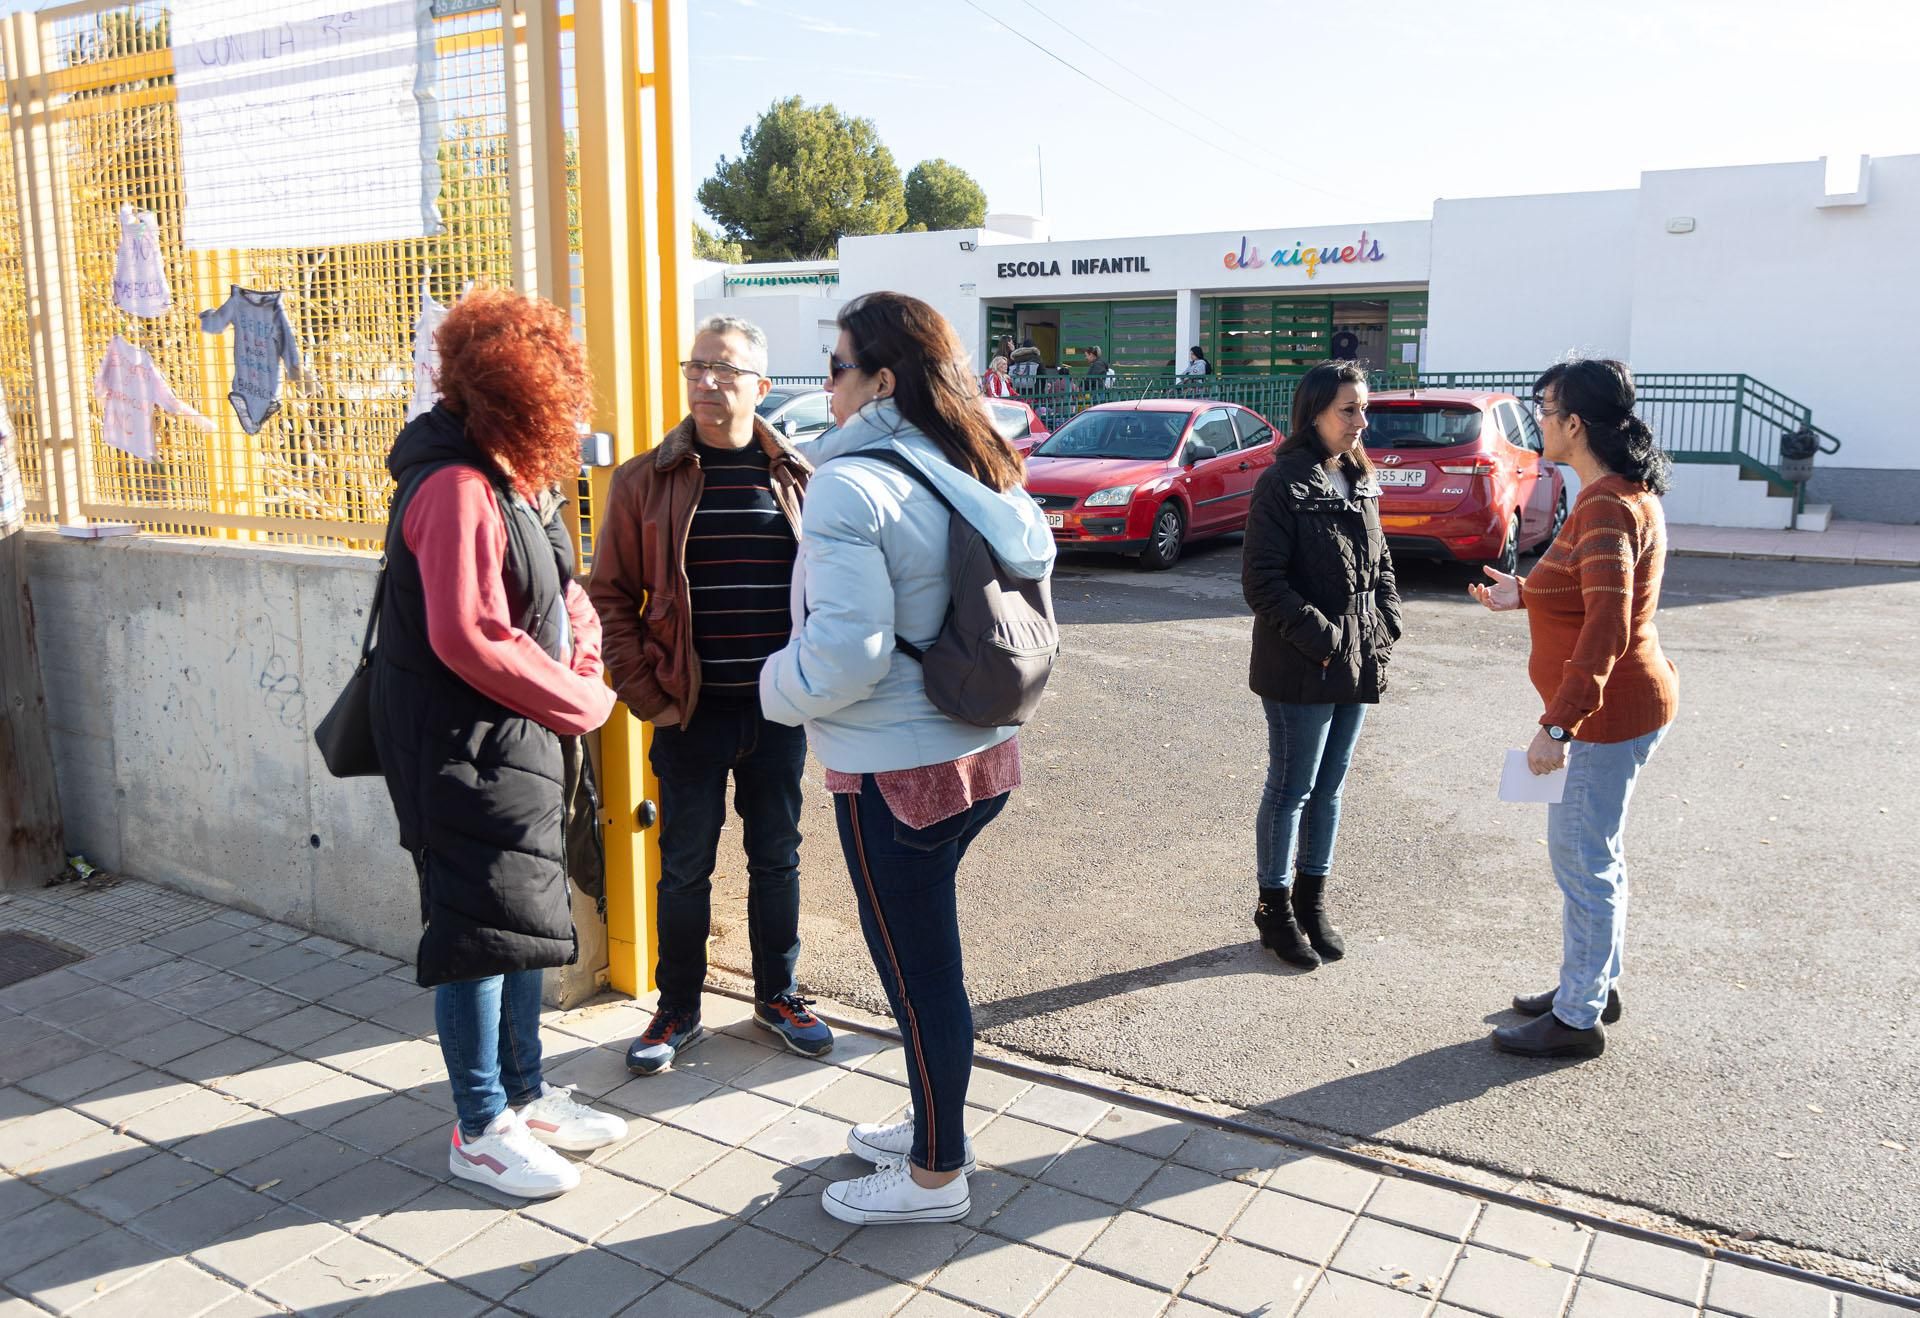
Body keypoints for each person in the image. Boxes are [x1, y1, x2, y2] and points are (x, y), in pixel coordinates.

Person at [760, 291, 1054, 1226]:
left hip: (895, 770)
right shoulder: (971, 461)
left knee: (921, 978)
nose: (827, 385)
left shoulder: (853, 483)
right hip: (978, 751)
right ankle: (937, 1118)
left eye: (837, 366)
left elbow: (849, 655)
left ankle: (936, 1173)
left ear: (882, 379)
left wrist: (768, 688)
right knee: (928, 968)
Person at [369, 287, 627, 1199]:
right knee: (477, 931)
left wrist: (584, 671)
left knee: (521, 920)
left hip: (518, 733)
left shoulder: (511, 474)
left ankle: (523, 1095)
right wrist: (581, 704)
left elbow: (567, 594)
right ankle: (479, 1125)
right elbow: (468, 633)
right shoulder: (453, 485)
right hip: (460, 743)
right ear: (517, 389)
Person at [589, 315, 833, 1076]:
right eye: (696, 367)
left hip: (775, 712)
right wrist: (646, 696)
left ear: (762, 386)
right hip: (687, 713)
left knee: (777, 860)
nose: (706, 381)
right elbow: (609, 598)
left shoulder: (797, 474)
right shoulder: (643, 480)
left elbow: (829, 592)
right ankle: (678, 1008)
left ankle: (778, 995)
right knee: (684, 866)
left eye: (724, 370)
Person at [1471, 358, 1678, 1059]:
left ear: (1574, 423)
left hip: (1605, 718)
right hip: (1624, 709)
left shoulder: (1606, 504)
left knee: (1581, 860)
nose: (1539, 418)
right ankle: (1592, 983)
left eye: (1545, 406)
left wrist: (1559, 725)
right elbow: (1591, 593)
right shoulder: (1617, 493)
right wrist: (1524, 593)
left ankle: (1577, 1017)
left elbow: (1607, 626)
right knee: (1599, 855)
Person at [1241, 360, 1401, 969]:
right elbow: (1262, 582)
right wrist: (1328, 638)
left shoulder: (1360, 478)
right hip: (1300, 662)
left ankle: (1312, 901)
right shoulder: (1282, 482)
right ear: (1314, 414)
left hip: (1357, 655)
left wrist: (1384, 626)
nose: (1362, 422)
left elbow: (1382, 565)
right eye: (1348, 410)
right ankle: (1275, 910)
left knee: (1329, 790)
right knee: (1291, 788)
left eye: (1364, 408)